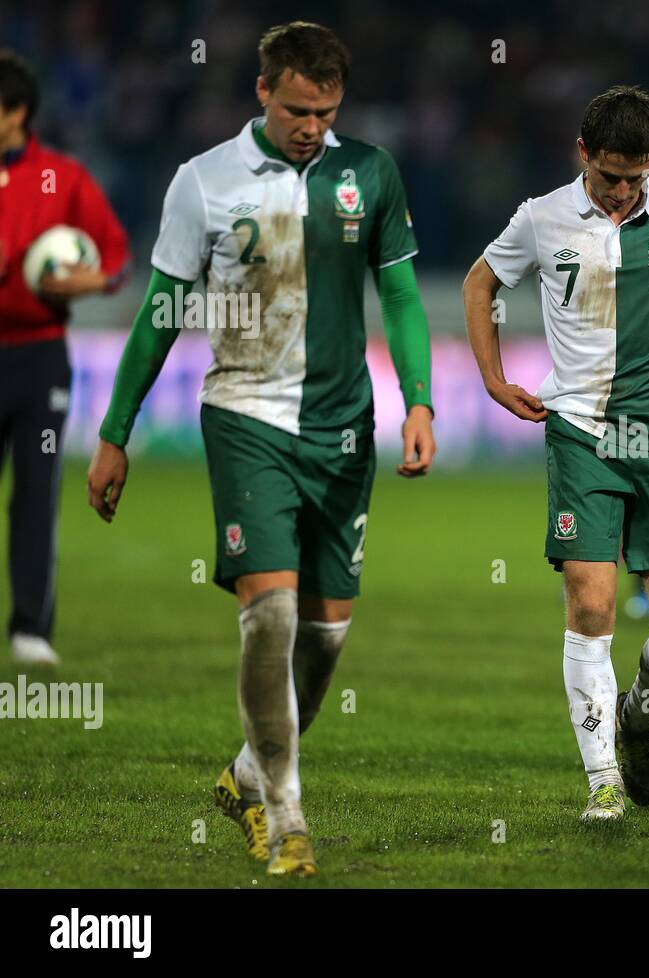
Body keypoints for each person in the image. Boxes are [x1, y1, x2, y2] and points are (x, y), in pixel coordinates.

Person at [87, 22, 436, 876]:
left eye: (326, 111)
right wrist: (112, 432)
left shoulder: (370, 174)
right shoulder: (203, 183)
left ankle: (247, 774)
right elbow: (162, 312)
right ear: (261, 93)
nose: (311, 125)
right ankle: (286, 821)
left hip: (343, 429)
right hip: (245, 415)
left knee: (324, 640)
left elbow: (397, 291)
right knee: (271, 613)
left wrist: (418, 400)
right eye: (295, 110)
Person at [462, 85, 649, 821]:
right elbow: (480, 283)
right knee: (591, 603)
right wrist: (494, 379)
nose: (623, 192)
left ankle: (635, 716)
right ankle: (602, 783)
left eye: (635, 178)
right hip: (582, 433)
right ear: (582, 155)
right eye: (609, 178)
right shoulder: (542, 217)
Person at [0, 49, 129, 668]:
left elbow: (115, 258)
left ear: (17, 112)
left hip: (38, 360)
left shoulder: (61, 177)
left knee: (35, 494)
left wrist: (82, 281)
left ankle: (30, 628)